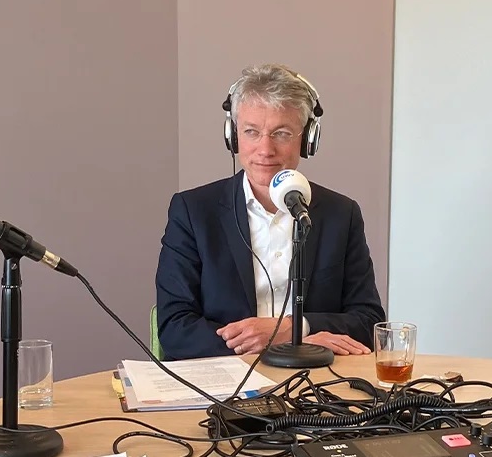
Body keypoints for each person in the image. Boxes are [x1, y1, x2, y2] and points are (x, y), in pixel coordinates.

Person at [155, 64, 387, 360]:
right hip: (227, 377)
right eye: (251, 132)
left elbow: (368, 321)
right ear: (233, 135)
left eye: (282, 133)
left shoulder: (341, 214)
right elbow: (175, 328)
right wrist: (270, 346)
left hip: (317, 378)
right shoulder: (193, 211)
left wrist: (294, 329)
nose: (265, 149)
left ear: (306, 140)